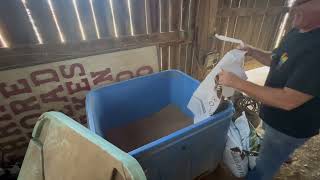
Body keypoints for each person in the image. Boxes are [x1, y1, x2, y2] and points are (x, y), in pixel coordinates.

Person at [217, 0, 320, 179]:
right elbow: (277, 59)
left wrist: (236, 82)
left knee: (264, 168)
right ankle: (281, 153)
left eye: (302, 2)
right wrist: (253, 51)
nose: (293, 6)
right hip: (274, 116)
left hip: (290, 126)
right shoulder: (298, 30)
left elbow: (288, 100)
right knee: (271, 145)